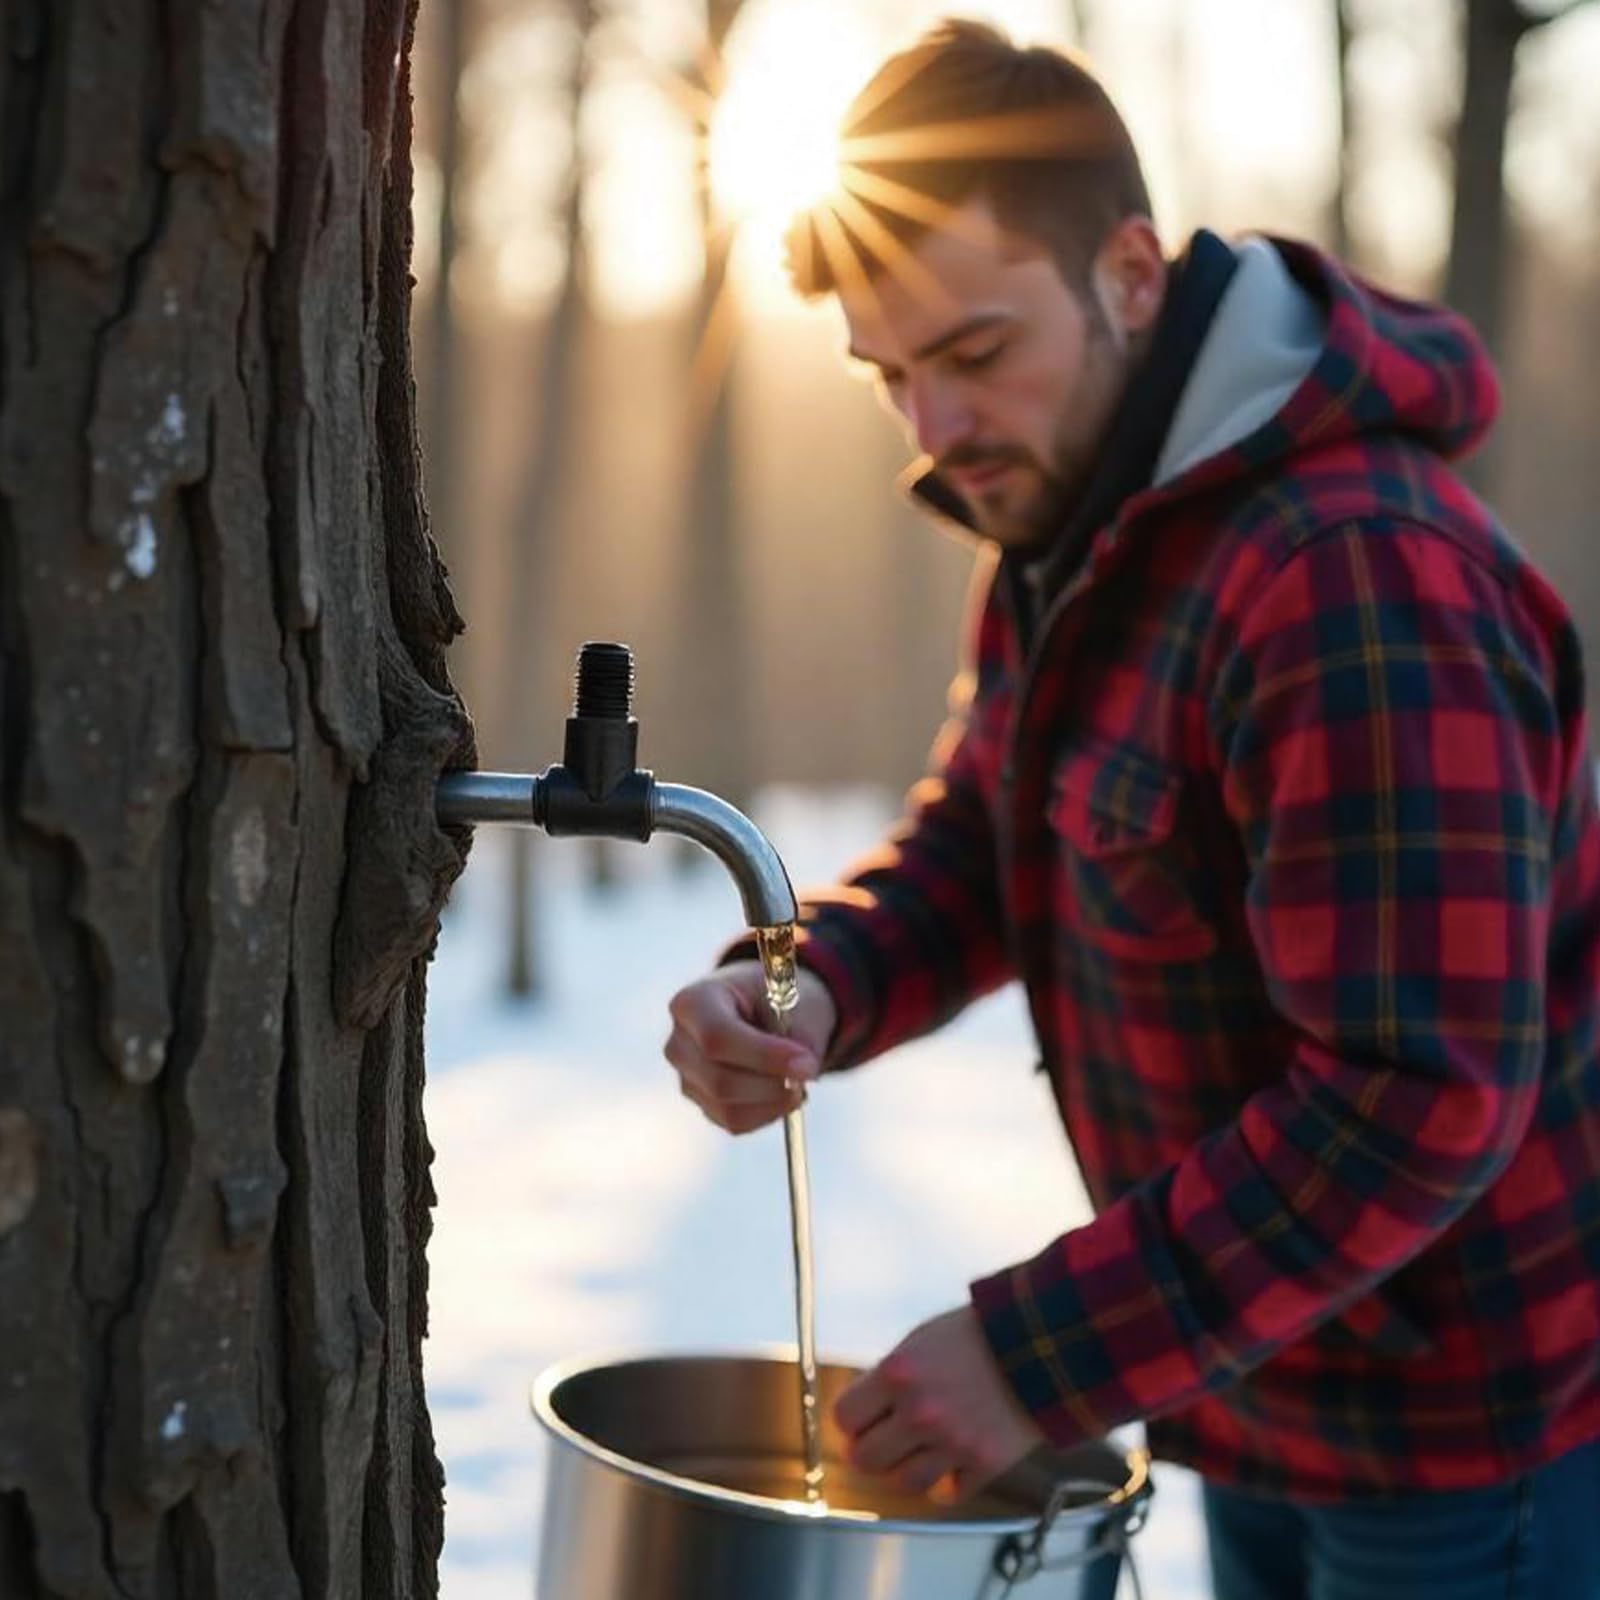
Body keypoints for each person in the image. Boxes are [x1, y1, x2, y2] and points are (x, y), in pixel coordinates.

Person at [662, 20, 1600, 1597]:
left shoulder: (1349, 578)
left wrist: (1036, 1358)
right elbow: (988, 832)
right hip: (1254, 1382)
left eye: (974, 353)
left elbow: (1414, 1092)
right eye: (891, 377)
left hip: (1462, 1452)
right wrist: (815, 979)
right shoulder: (1078, 513)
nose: (938, 433)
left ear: (1135, 276)